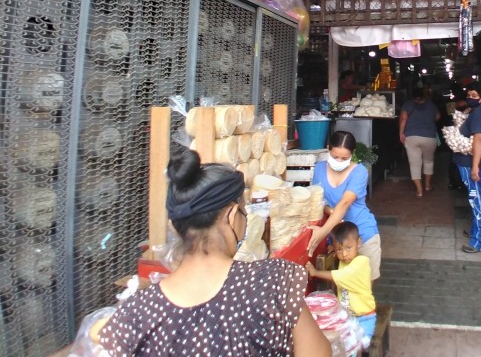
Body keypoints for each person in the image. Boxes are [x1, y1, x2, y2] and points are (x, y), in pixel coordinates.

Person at [100, 145, 330, 356]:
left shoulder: (136, 313)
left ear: (174, 227)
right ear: (232, 216)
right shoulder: (274, 281)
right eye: (243, 211)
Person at [307, 130, 381, 281]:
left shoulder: (359, 172)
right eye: (335, 157)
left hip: (361, 233)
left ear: (352, 154)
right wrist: (330, 211)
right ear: (328, 148)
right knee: (343, 285)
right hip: (337, 238)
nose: (339, 161)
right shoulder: (319, 169)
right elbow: (319, 201)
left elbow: (345, 202)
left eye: (344, 158)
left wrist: (322, 231)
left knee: (365, 284)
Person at [305, 221, 377, 347]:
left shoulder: (361, 263)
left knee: (355, 347)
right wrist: (333, 248)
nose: (344, 254)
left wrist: (315, 272)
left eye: (348, 248)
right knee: (346, 347)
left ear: (358, 243)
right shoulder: (345, 259)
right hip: (347, 318)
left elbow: (339, 275)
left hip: (364, 318)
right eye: (339, 249)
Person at [452, 83, 481, 253]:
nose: (470, 98)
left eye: (474, 95)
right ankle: (475, 231)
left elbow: (479, 139)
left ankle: (480, 242)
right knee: (476, 199)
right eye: (469, 95)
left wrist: (475, 167)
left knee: (478, 200)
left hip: (475, 164)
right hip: (473, 162)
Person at [399, 86, 441, 197]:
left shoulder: (407, 104)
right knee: (428, 161)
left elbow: (403, 118)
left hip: (411, 137)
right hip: (429, 137)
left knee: (415, 164)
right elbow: (437, 117)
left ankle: (419, 190)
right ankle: (427, 186)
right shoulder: (431, 104)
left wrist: (401, 133)